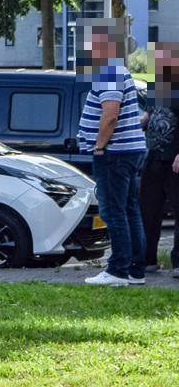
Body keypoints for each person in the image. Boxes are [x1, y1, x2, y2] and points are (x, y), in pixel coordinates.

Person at [80, 23, 148, 286]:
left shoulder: (108, 72)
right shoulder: (119, 71)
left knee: (113, 212)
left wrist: (99, 147)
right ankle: (135, 270)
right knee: (130, 210)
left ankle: (118, 270)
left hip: (114, 152)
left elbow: (110, 115)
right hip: (129, 150)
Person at [139, 42, 179, 276]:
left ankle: (178, 262)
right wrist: (136, 124)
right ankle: (148, 259)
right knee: (149, 210)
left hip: (174, 161)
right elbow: (148, 116)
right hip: (153, 158)